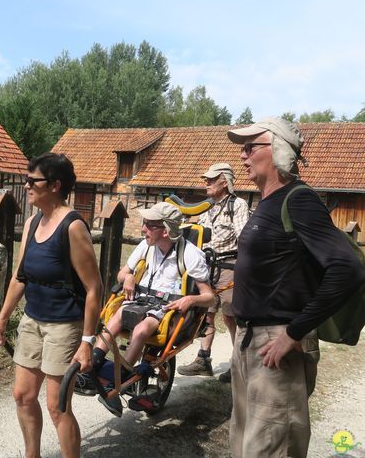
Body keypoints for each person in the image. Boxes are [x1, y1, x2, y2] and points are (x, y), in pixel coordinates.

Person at [226, 117, 365, 457]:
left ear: (276, 151)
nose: (242, 156)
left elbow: (347, 270)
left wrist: (292, 333)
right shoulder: (266, 202)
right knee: (244, 445)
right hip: (248, 346)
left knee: (271, 448)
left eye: (249, 148)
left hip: (276, 348)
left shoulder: (299, 199)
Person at [0, 152, 102, 458]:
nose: (26, 185)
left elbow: (95, 288)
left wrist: (87, 342)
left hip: (65, 325)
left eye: (32, 180)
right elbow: (19, 276)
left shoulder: (72, 226)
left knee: (58, 405)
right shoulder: (32, 222)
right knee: (23, 395)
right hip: (32, 320)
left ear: (54, 185)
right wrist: (1, 320)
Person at [79, 202, 216, 416]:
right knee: (117, 316)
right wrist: (130, 277)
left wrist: (190, 299)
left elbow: (209, 296)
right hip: (142, 300)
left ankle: (122, 376)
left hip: (167, 308)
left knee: (142, 329)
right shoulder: (146, 246)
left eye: (149, 225)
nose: (143, 229)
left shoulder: (190, 254)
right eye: (144, 224)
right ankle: (94, 361)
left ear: (166, 230)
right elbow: (121, 274)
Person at [177, 163, 249, 382]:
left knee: (230, 317)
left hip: (229, 265)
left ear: (224, 182)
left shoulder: (237, 204)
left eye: (211, 179)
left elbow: (244, 236)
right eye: (206, 179)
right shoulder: (207, 206)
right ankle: (203, 360)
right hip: (207, 267)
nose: (206, 182)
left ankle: (239, 364)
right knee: (206, 314)